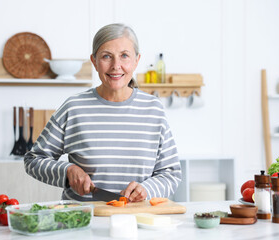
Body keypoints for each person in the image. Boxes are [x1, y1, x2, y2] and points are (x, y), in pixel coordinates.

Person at [24, 23, 181, 202]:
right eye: (107, 56)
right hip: (81, 220)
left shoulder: (153, 109)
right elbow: (34, 160)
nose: (116, 66)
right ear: (94, 61)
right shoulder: (73, 108)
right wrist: (68, 171)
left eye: (124, 56)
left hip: (136, 221)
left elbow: (170, 173)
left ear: (136, 60)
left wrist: (147, 189)